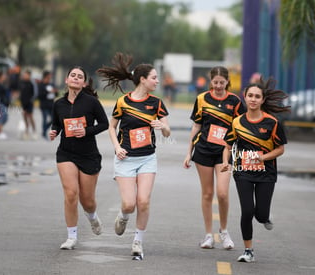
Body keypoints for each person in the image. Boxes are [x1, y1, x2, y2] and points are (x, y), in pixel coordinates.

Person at [96, 52, 171, 259]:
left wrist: (161, 126)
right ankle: (123, 215)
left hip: (147, 158)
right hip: (125, 159)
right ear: (143, 80)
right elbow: (111, 127)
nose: (157, 81)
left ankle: (138, 241)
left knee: (143, 201)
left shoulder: (156, 103)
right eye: (154, 77)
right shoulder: (123, 102)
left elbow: (167, 131)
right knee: (129, 204)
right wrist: (117, 146)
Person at [221, 77, 290, 262]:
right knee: (247, 211)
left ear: (262, 100)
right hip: (242, 172)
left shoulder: (272, 123)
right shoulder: (236, 122)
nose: (253, 99)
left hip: (266, 174)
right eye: (250, 95)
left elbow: (280, 148)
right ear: (244, 97)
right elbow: (227, 145)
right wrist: (226, 162)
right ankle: (248, 250)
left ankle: (266, 216)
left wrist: (264, 157)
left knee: (260, 215)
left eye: (257, 96)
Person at [183, 66, 245, 250]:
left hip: (225, 152)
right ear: (211, 81)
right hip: (203, 151)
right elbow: (196, 126)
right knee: (207, 193)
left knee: (223, 193)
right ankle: (208, 235)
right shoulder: (202, 99)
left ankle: (224, 232)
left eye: (222, 82)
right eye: (215, 82)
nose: (218, 86)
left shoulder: (234, 101)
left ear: (227, 82)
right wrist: (189, 152)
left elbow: (241, 128)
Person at [49, 66, 109, 250]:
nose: (75, 78)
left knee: (87, 200)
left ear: (83, 83)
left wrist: (86, 131)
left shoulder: (91, 102)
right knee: (71, 194)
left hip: (89, 155)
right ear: (66, 80)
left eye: (79, 76)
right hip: (66, 153)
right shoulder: (58, 104)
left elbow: (105, 124)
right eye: (72, 75)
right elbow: (56, 124)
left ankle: (92, 216)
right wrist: (54, 131)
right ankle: (71, 236)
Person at [38, 70, 57, 139]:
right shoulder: (41, 85)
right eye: (49, 75)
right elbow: (39, 95)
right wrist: (48, 92)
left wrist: (55, 92)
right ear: (46, 76)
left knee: (53, 119)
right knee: (45, 118)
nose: (50, 76)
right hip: (44, 105)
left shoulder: (52, 84)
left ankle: (44, 129)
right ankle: (44, 133)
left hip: (51, 105)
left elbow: (55, 93)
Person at [18, 70, 37, 140]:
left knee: (31, 117)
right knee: (24, 116)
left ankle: (34, 131)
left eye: (26, 75)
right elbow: (21, 92)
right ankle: (26, 131)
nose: (24, 76)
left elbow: (35, 93)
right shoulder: (22, 82)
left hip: (30, 103)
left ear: (29, 75)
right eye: (24, 75)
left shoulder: (32, 83)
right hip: (23, 103)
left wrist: (31, 100)